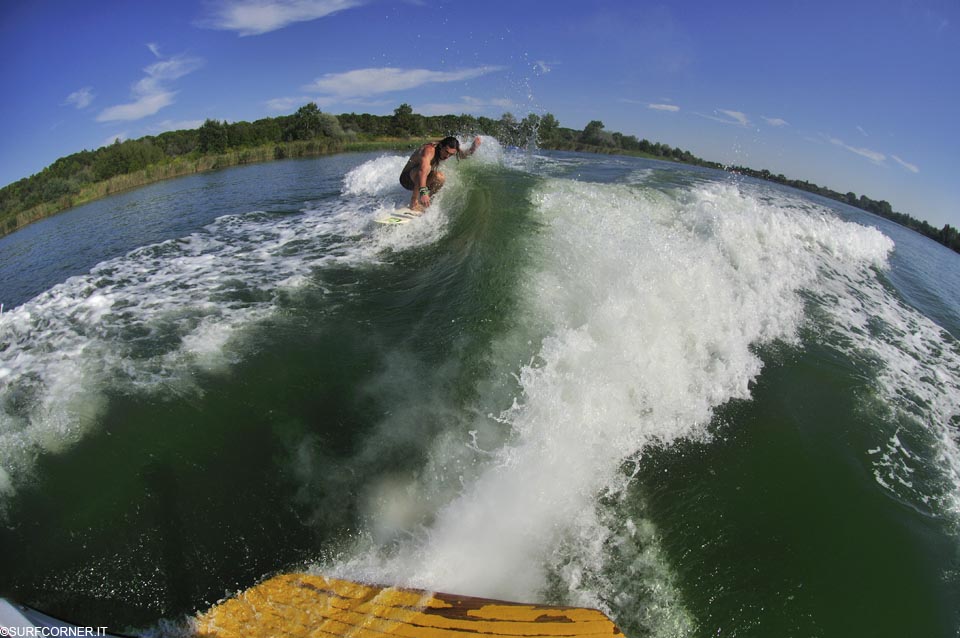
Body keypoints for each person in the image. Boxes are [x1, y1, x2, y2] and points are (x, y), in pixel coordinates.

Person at [399, 136, 481, 211]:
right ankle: (414, 203)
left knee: (440, 178)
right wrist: (423, 192)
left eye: (451, 154)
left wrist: (473, 148)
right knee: (426, 168)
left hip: (420, 179)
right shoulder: (429, 150)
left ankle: (425, 203)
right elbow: (422, 171)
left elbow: (463, 155)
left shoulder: (449, 149)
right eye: (446, 152)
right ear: (441, 146)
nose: (447, 156)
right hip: (407, 180)